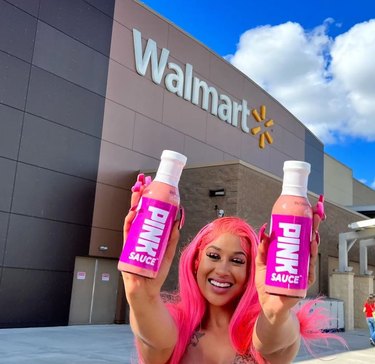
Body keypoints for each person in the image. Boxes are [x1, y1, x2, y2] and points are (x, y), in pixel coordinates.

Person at [121, 174, 341, 364]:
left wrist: (277, 311)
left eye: (238, 261)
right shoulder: (172, 327)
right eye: (214, 256)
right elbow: (154, 338)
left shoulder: (264, 331)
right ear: (196, 262)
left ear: (252, 271)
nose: (223, 269)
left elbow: (274, 338)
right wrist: (139, 293)